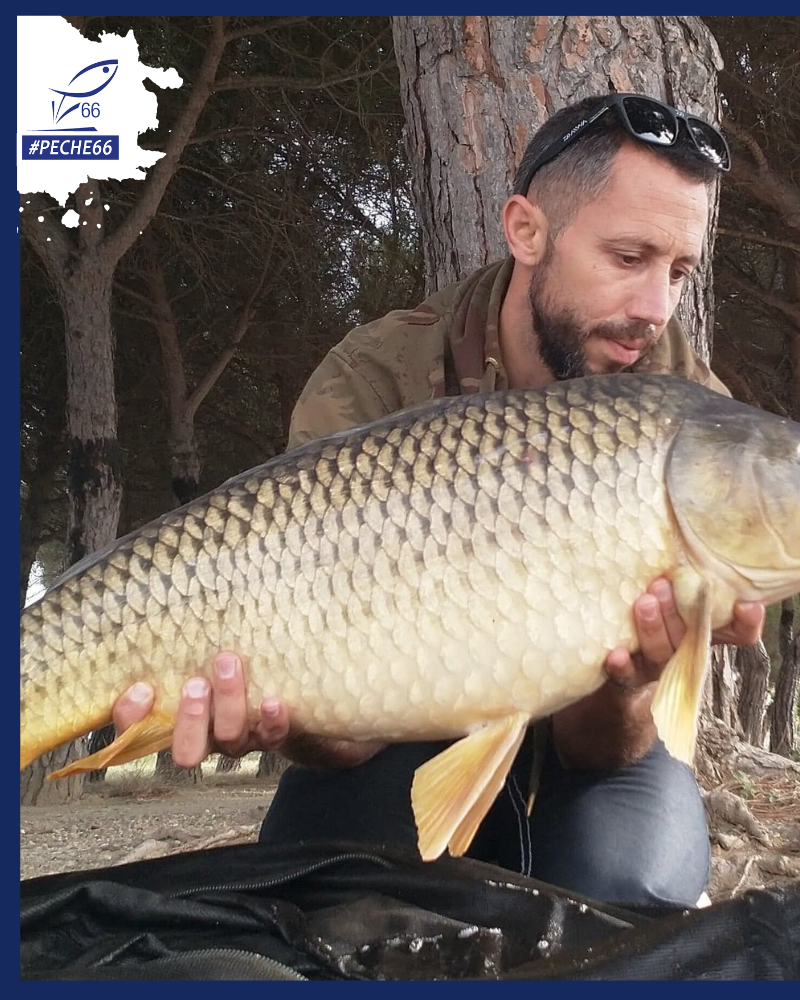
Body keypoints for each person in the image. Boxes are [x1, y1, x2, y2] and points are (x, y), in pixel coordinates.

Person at [113, 93, 764, 908]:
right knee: (335, 909)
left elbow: (605, 750)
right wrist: (283, 713)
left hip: (594, 754)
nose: (654, 309)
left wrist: (638, 675)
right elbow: (344, 739)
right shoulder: (377, 375)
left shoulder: (692, 415)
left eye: (678, 271)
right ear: (527, 230)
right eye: (628, 257)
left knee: (629, 906)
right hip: (398, 741)